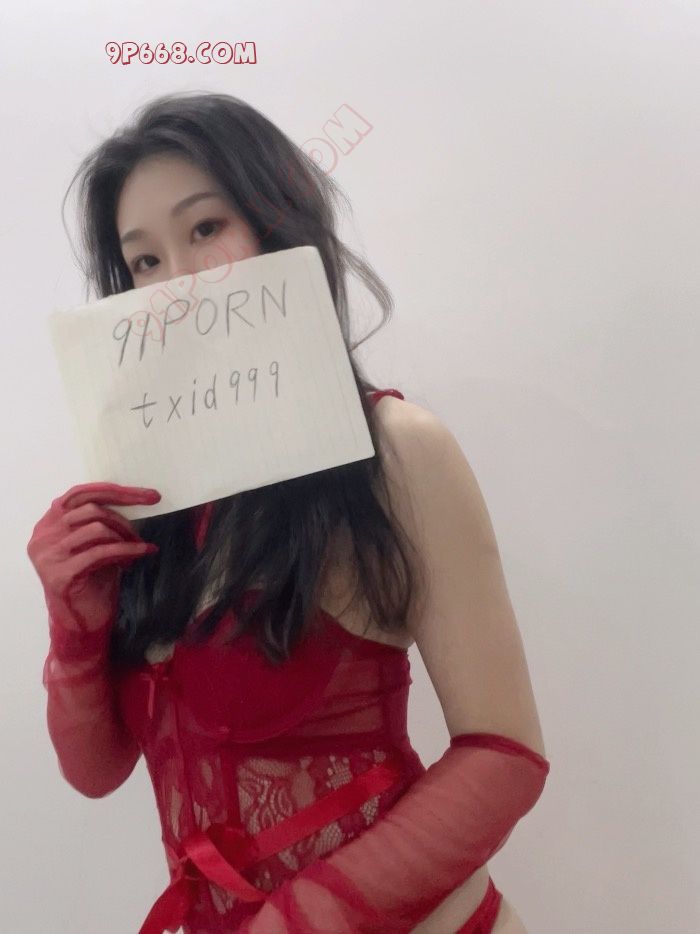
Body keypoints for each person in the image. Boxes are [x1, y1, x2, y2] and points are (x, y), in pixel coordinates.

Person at [27, 91, 550, 933]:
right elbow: (97, 771)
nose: (179, 284)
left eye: (206, 228)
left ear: (281, 227)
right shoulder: (152, 495)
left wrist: (297, 921)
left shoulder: (395, 451)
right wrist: (74, 628)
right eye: (145, 260)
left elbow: (504, 754)